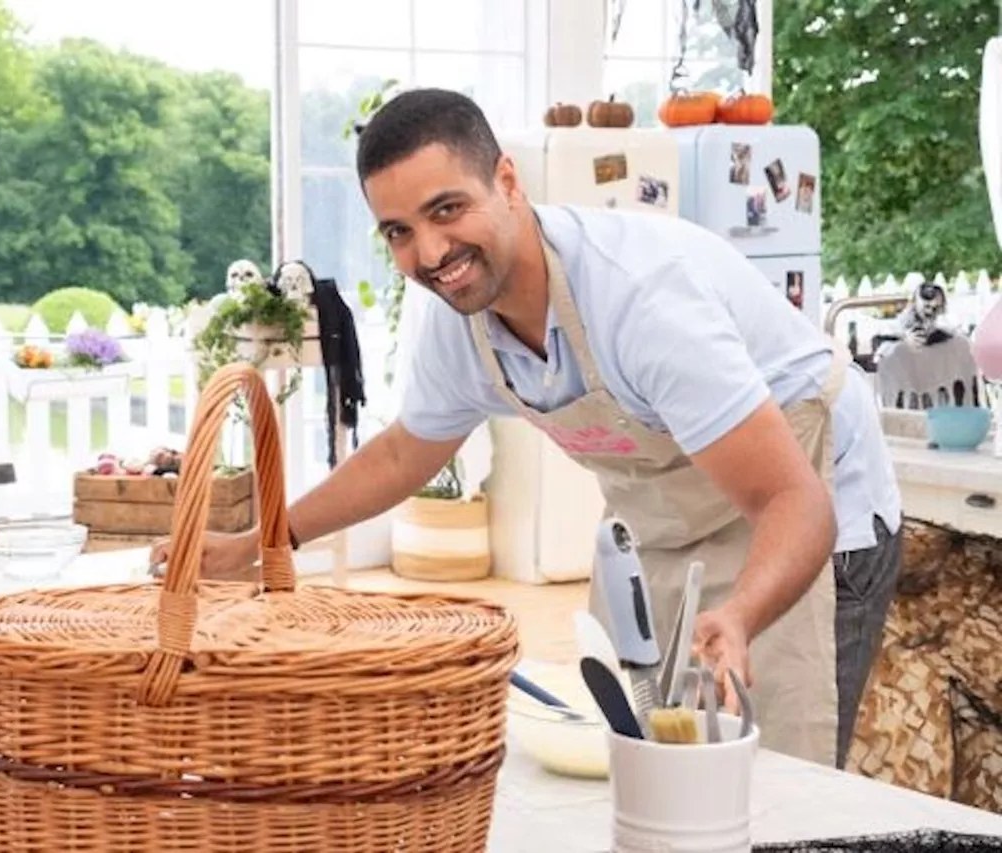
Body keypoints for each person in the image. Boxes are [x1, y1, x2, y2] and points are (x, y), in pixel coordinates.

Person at [151, 88, 903, 771]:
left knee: (773, 779)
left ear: (508, 182)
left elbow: (793, 503)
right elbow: (404, 453)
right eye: (399, 232)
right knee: (635, 753)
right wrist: (261, 544)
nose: (431, 254)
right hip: (667, 529)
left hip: (806, 512)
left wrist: (739, 614)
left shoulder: (641, 304)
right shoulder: (461, 316)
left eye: (448, 210)